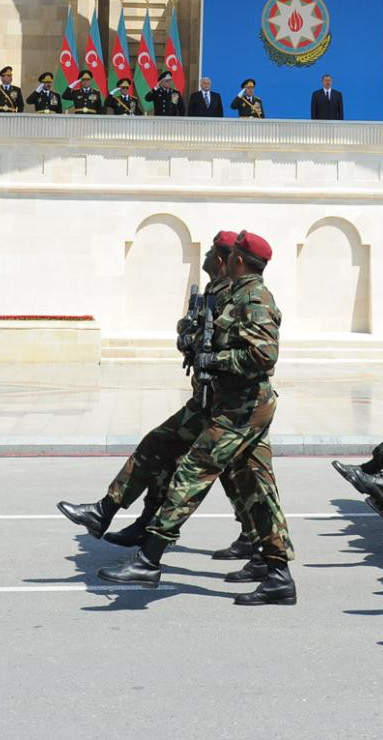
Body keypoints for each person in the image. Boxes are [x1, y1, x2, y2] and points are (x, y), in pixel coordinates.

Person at [89, 231, 294, 605]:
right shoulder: (233, 292)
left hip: (243, 408)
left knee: (193, 473)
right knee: (257, 487)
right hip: (229, 404)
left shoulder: (256, 297)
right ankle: (277, 573)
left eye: (229, 254)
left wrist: (213, 361)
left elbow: (265, 357)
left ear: (238, 260)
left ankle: (148, 559)